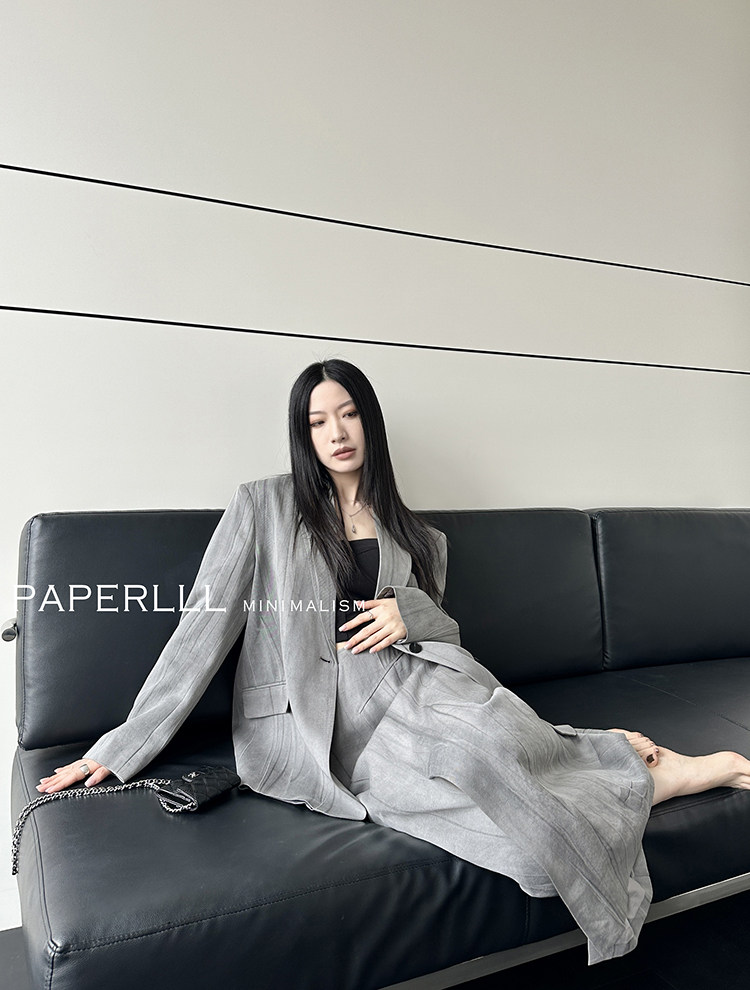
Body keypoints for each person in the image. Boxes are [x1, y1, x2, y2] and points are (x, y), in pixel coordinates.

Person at [37, 359, 750, 965]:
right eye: (318, 421)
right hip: (326, 722)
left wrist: (411, 614)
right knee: (535, 858)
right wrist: (120, 747)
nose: (337, 433)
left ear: (369, 423)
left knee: (488, 736)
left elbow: (446, 636)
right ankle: (635, 769)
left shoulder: (420, 538)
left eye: (348, 414)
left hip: (417, 685)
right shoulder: (264, 506)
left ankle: (603, 755)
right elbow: (202, 629)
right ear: (303, 435)